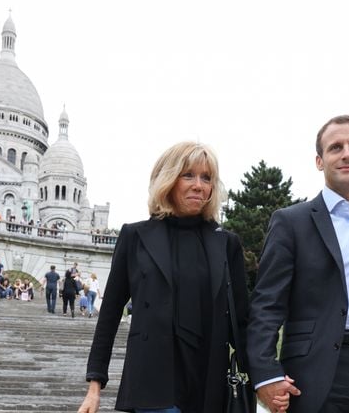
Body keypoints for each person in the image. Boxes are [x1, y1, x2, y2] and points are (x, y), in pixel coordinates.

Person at [248, 115, 349, 413]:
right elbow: (267, 304)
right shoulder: (290, 222)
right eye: (336, 147)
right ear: (320, 161)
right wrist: (265, 374)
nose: (347, 153)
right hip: (314, 369)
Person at [78, 141, 251, 413]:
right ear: (168, 180)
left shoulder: (226, 243)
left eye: (207, 178)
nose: (199, 185)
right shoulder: (135, 237)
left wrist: (266, 378)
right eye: (188, 175)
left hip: (210, 386)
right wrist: (94, 386)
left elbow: (243, 321)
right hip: (152, 385)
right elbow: (109, 315)